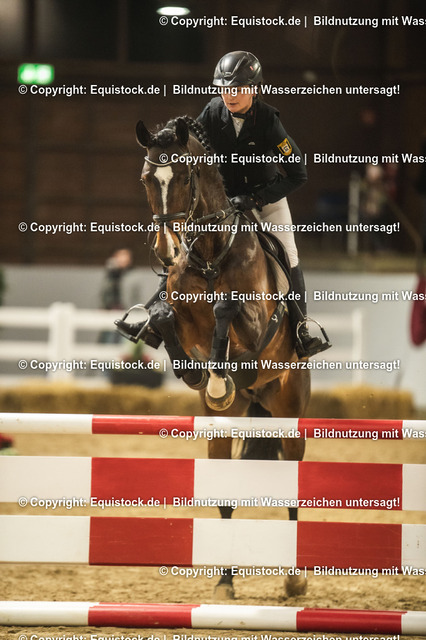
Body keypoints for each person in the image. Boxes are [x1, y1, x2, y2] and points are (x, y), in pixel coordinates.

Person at [117, 51, 330, 358]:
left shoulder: (269, 121)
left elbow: (299, 174)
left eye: (238, 89)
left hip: (265, 200)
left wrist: (257, 198)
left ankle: (301, 327)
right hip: (225, 201)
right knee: (185, 246)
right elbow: (188, 143)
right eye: (225, 88)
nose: (230, 95)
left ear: (254, 89)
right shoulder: (213, 111)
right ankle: (154, 312)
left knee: (289, 252)